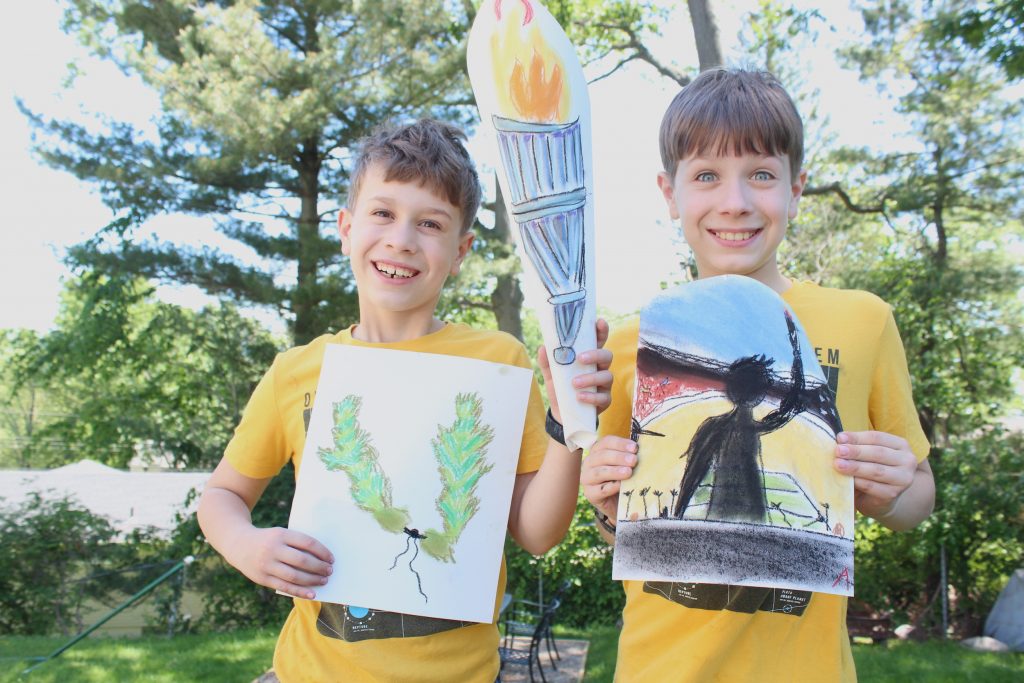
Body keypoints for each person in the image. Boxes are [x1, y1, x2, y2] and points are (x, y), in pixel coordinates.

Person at [197, 118, 612, 682]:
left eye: (431, 223)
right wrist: (246, 545)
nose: (401, 239)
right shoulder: (295, 371)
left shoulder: (498, 361)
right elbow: (221, 495)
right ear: (346, 228)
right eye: (383, 213)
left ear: (461, 249)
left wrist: (566, 426)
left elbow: (537, 534)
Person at [581, 68, 934, 682]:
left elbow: (917, 497)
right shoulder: (635, 341)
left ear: (796, 190)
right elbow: (619, 524)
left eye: (762, 175)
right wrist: (609, 505)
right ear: (670, 194)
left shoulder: (864, 321)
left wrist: (895, 489)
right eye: (707, 176)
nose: (735, 202)